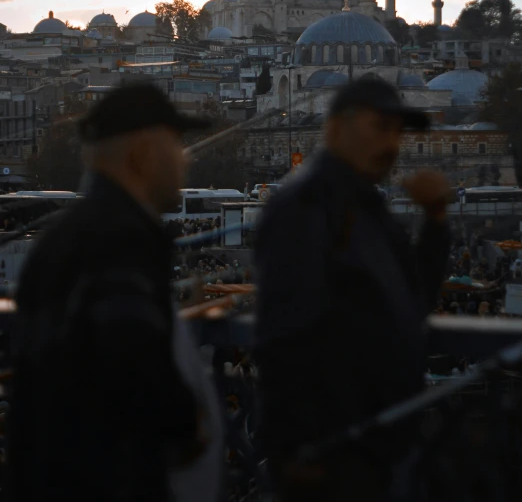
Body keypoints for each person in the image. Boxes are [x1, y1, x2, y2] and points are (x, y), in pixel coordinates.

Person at [9, 83, 214, 502]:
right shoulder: (122, 238)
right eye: (175, 146)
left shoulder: (61, 237)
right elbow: (129, 359)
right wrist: (185, 420)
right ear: (141, 155)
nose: (185, 160)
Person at [255, 76, 452, 501]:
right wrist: (298, 445)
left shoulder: (366, 207)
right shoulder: (307, 206)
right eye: (380, 128)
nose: (392, 142)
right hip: (334, 449)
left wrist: (435, 222)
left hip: (381, 440)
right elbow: (286, 331)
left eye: (397, 131)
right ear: (336, 129)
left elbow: (412, 300)